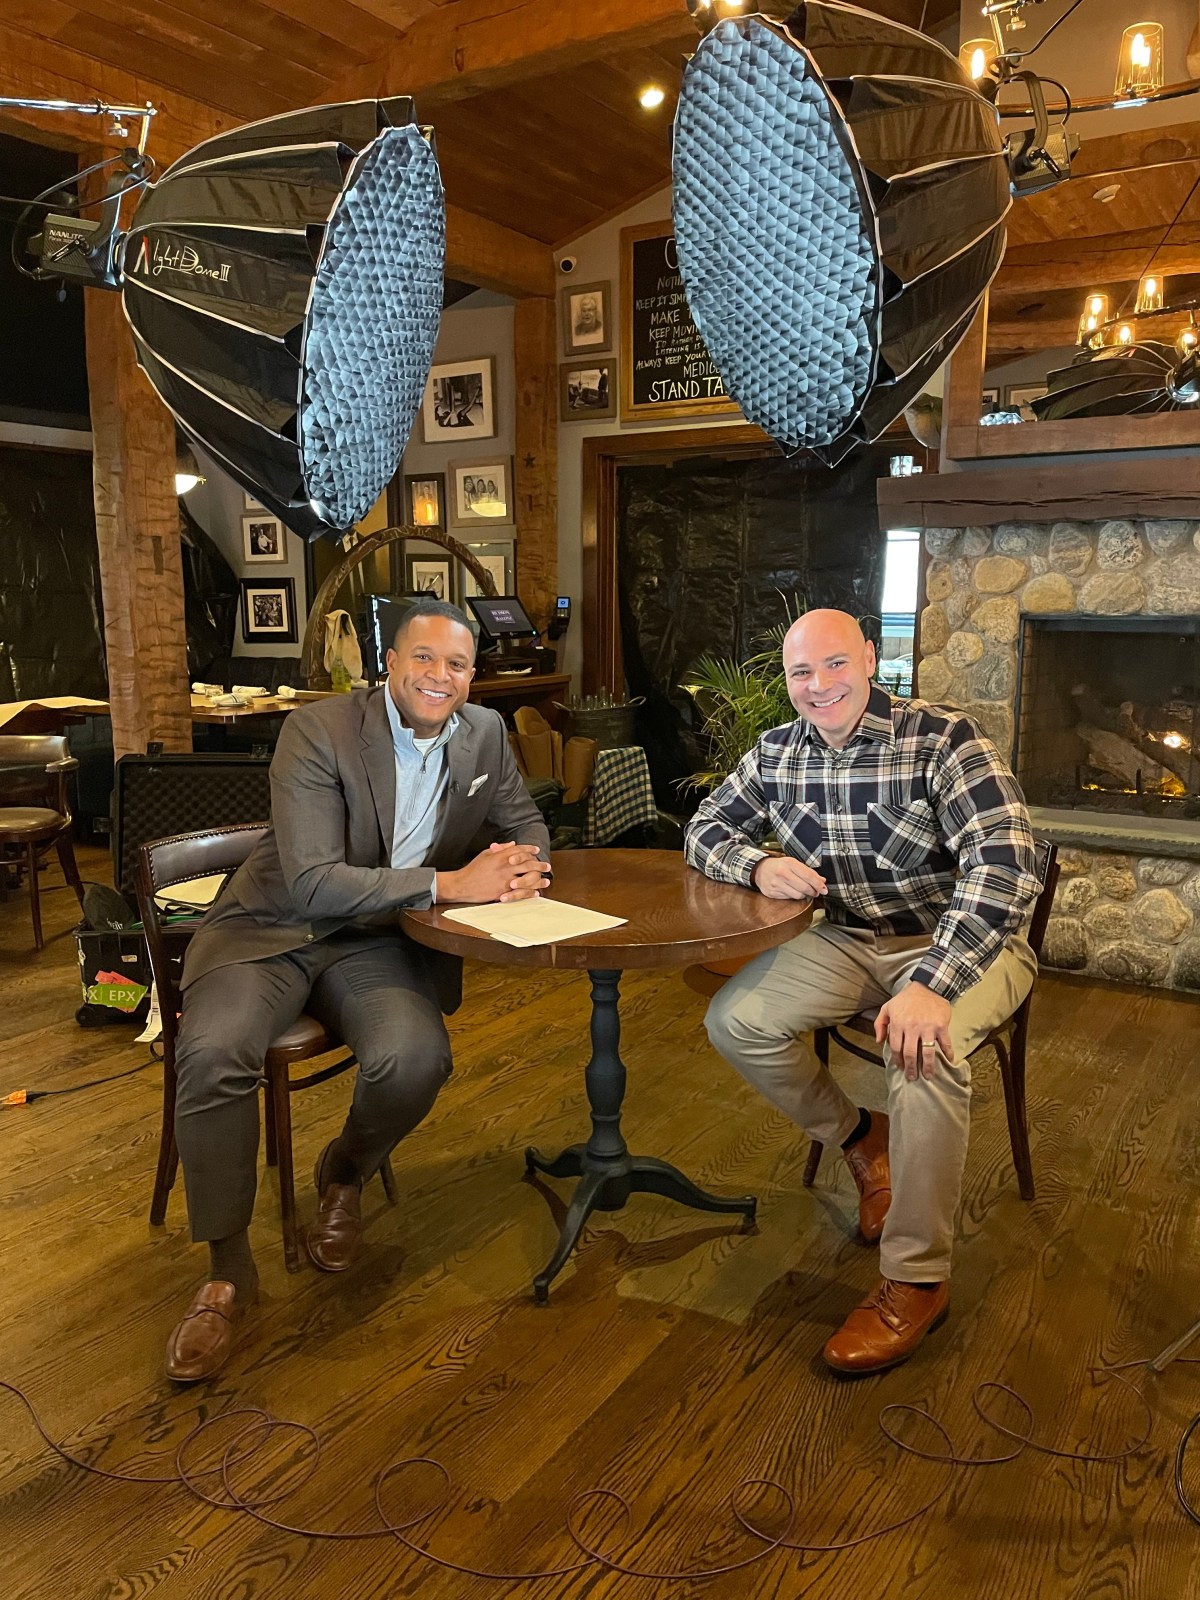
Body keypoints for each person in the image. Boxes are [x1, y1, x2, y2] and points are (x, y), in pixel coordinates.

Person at [164, 599, 551, 1382]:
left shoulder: (483, 735)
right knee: (212, 1055)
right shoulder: (320, 730)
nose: (439, 676)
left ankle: (344, 1172)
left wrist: (521, 869)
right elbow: (309, 882)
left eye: (457, 665)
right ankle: (226, 1271)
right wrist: (451, 882)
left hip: (372, 942)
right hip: (270, 929)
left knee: (415, 1060)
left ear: (474, 677)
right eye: (424, 658)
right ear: (391, 662)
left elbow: (527, 823)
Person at [685, 609, 1039, 1375]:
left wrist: (934, 985)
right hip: (847, 938)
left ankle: (915, 1281)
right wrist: (754, 865)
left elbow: (1008, 865)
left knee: (922, 1050)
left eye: (836, 665)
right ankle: (860, 1140)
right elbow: (705, 826)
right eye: (800, 673)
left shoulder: (944, 738)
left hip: (962, 944)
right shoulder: (777, 752)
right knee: (735, 1019)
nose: (819, 686)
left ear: (871, 658)